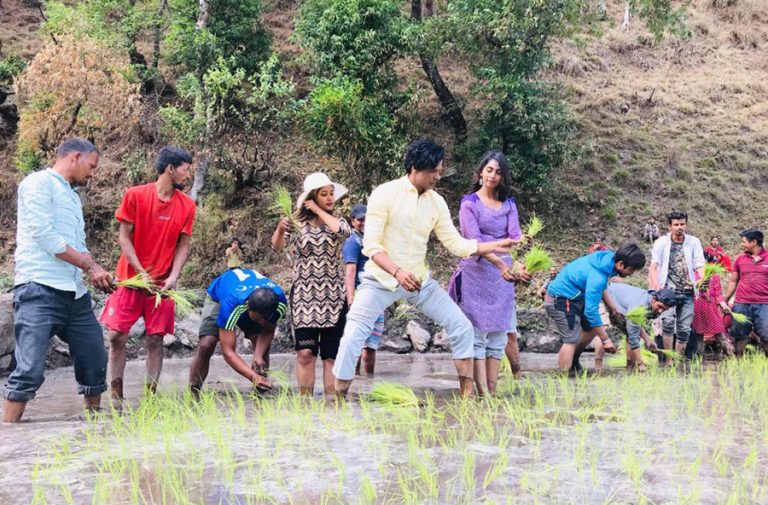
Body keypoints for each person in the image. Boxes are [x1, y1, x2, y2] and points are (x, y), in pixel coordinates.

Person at [331, 139, 516, 397]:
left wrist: (496, 245)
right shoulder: (384, 193)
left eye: (440, 171)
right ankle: (339, 396)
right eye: (435, 171)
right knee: (352, 334)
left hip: (419, 283)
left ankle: (468, 397)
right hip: (380, 281)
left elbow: (456, 244)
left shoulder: (436, 202)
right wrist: (397, 272)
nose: (438, 176)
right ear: (417, 167)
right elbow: (371, 246)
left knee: (461, 326)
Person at [3, 138, 114, 422]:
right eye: (91, 166)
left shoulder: (73, 197)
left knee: (94, 359)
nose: (92, 173)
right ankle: (11, 439)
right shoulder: (38, 183)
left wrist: (97, 270)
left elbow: (79, 243)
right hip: (38, 288)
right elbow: (44, 235)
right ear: (75, 157)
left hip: (75, 295)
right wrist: (90, 266)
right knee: (29, 370)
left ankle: (96, 430)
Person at [100, 147, 196, 399]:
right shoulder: (135, 195)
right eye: (186, 169)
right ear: (170, 168)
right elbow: (123, 237)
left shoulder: (186, 205)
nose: (188, 175)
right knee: (116, 336)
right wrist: (140, 272)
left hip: (161, 286)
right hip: (130, 280)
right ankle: (116, 394)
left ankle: (150, 396)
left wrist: (174, 276)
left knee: (156, 340)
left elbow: (183, 244)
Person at [447, 150, 531, 395]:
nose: (493, 175)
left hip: (502, 279)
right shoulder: (469, 203)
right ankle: (481, 391)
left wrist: (519, 266)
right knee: (476, 337)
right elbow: (474, 242)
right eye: (489, 170)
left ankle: (491, 393)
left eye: (498, 172)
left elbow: (516, 238)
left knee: (498, 338)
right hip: (476, 275)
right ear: (481, 171)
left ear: (504, 177)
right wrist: (501, 264)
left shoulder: (509, 204)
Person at [271, 172, 351, 396]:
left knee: (331, 356)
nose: (329, 198)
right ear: (311, 197)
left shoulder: (337, 222)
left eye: (331, 194)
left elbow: (344, 232)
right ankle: (305, 406)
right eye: (323, 194)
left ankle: (332, 404)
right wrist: (279, 228)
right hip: (305, 298)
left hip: (333, 297)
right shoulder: (297, 225)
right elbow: (277, 247)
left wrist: (318, 210)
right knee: (305, 353)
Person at [545, 242, 647, 373]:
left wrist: (614, 308)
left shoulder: (607, 262)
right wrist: (606, 340)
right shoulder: (598, 276)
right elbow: (591, 311)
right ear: (621, 264)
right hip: (560, 299)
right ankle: (564, 379)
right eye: (631, 270)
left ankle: (574, 360)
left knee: (591, 329)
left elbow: (603, 288)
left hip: (576, 298)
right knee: (571, 339)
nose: (631, 274)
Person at [188, 268, 287, 391]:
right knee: (206, 344)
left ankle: (261, 391)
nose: (262, 322)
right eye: (258, 318)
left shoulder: (279, 302)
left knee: (261, 348)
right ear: (248, 307)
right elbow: (227, 351)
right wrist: (252, 376)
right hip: (220, 297)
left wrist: (258, 355)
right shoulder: (231, 303)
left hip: (251, 298)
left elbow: (268, 330)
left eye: (265, 318)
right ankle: (193, 390)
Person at [648, 210, 705, 357]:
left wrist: (700, 279)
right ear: (669, 226)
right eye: (676, 224)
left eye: (682, 224)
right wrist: (656, 286)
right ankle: (668, 359)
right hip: (668, 291)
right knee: (667, 323)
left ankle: (678, 358)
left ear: (686, 225)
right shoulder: (661, 242)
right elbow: (654, 266)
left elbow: (699, 264)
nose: (679, 227)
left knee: (684, 328)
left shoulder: (694, 242)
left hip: (687, 291)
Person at [342, 203, 385, 376]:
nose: (364, 223)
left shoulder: (374, 241)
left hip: (376, 297)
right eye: (360, 220)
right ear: (352, 221)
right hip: (361, 297)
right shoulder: (353, 243)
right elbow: (350, 271)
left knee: (372, 343)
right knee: (358, 342)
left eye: (367, 219)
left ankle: (368, 383)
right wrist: (351, 298)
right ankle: (354, 381)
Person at [605, 284, 679, 371]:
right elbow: (633, 334)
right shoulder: (640, 305)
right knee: (601, 331)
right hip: (605, 296)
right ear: (654, 299)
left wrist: (647, 340)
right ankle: (598, 368)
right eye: (660, 306)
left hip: (622, 307)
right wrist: (641, 364)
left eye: (665, 309)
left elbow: (636, 324)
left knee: (630, 334)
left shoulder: (650, 307)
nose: (661, 311)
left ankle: (630, 367)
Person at [723, 229, 768, 357]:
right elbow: (733, 281)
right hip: (742, 304)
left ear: (754, 242)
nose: (741, 244)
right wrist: (725, 299)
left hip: (765, 304)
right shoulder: (739, 259)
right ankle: (738, 363)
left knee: (766, 335)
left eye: (744, 242)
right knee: (739, 335)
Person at [692, 252, 734, 357]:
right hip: (695, 307)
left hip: (710, 307)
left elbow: (718, 294)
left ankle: (731, 356)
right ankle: (700, 360)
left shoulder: (713, 275)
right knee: (698, 335)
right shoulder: (691, 274)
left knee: (719, 332)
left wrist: (724, 305)